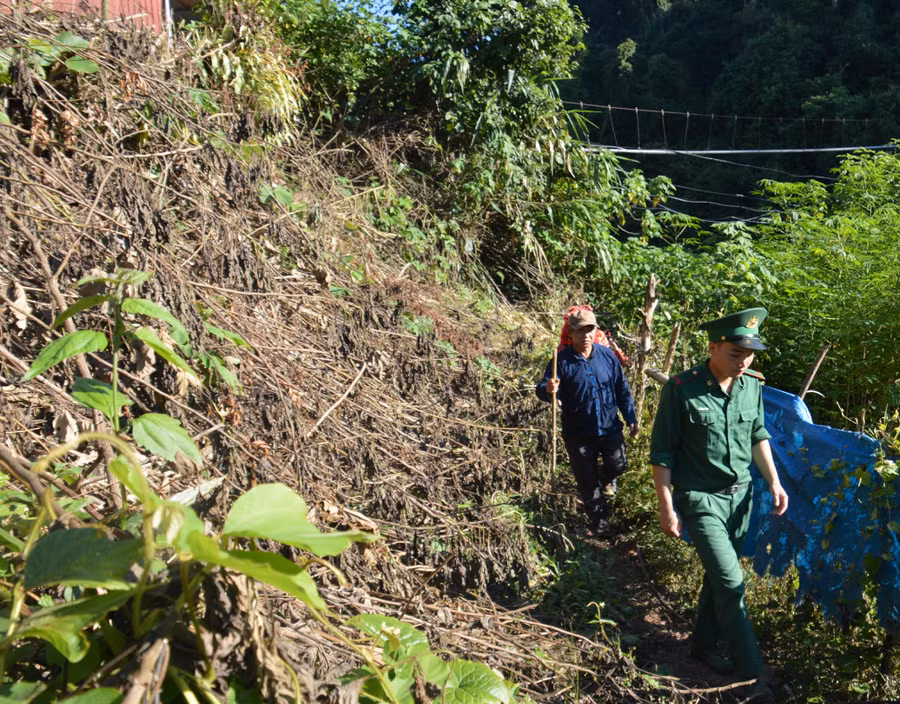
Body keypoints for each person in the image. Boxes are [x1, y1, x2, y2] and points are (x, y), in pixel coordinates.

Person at [649, 307, 789, 696]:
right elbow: (663, 453)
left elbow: (758, 435)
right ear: (713, 347)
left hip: (740, 499)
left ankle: (702, 647)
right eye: (734, 353)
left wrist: (774, 483)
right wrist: (666, 505)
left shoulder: (752, 386)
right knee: (731, 582)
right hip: (700, 498)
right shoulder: (681, 388)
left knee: (718, 577)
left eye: (749, 355)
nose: (743, 361)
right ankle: (752, 675)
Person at [536, 307, 638, 536]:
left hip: (610, 426)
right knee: (587, 480)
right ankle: (600, 525)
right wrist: (548, 389)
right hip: (578, 432)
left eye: (590, 329)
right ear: (571, 334)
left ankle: (607, 479)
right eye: (580, 331)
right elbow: (543, 388)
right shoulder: (560, 361)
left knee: (619, 464)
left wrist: (631, 417)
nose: (586, 335)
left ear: (595, 331)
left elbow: (622, 389)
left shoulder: (607, 356)